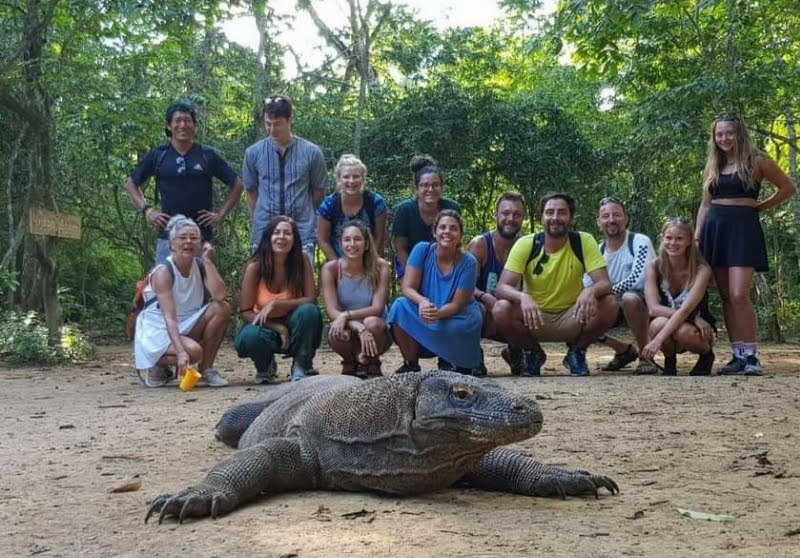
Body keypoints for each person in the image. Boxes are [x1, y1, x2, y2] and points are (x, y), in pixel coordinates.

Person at [695, 113, 796, 375]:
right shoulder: (712, 166)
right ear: (714, 138)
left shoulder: (757, 162)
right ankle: (737, 355)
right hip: (715, 231)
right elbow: (705, 205)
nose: (724, 138)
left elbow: (787, 188)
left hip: (743, 230)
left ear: (739, 133)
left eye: (729, 132)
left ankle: (752, 356)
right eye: (719, 134)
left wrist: (758, 207)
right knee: (727, 297)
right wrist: (697, 237)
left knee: (740, 294)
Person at [492, 192, 618, 376]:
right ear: (541, 217)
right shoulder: (526, 244)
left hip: (574, 315)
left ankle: (577, 352)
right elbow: (502, 287)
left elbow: (605, 283)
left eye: (562, 212)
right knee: (500, 309)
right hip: (534, 317)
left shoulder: (583, 241)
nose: (555, 218)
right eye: (550, 212)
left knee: (610, 303)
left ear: (571, 217)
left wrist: (590, 291)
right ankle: (532, 352)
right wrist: (522, 296)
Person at [124, 101, 244, 265]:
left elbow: (237, 185)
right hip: (168, 238)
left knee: (202, 287)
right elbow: (131, 184)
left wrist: (220, 215)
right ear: (168, 125)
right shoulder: (158, 156)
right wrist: (147, 210)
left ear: (195, 125)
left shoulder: (206, 155)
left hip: (201, 238)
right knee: (165, 285)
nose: (183, 125)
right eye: (178, 120)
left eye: (187, 120)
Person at [133, 215, 231, 388]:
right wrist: (180, 352)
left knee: (221, 308)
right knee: (193, 352)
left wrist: (208, 261)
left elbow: (220, 295)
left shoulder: (200, 266)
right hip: (159, 329)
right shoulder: (164, 272)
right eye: (182, 238)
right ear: (171, 244)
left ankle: (207, 369)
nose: (188, 242)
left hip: (186, 322)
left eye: (194, 238)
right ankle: (156, 365)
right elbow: (169, 318)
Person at [387, 210, 483, 374]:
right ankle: (411, 364)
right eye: (442, 227)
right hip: (426, 309)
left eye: (453, 228)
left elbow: (457, 304)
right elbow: (408, 287)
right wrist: (423, 302)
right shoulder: (422, 250)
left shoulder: (469, 262)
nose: (447, 232)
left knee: (460, 326)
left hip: (456, 315)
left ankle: (457, 361)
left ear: (460, 235)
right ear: (435, 232)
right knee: (399, 307)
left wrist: (436, 314)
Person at [234, 216, 323, 383]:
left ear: (294, 239)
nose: (282, 237)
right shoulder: (255, 266)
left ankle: (301, 365)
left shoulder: (301, 259)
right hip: (265, 324)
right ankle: (264, 366)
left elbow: (310, 299)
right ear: (269, 237)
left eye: (287, 233)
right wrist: (279, 328)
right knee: (249, 337)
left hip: (295, 321)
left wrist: (277, 303)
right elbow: (245, 312)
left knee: (309, 312)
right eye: (277, 233)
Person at [242, 94, 328, 261]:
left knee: (301, 283)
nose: (272, 129)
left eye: (278, 124)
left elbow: (318, 193)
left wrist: (313, 223)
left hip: (301, 230)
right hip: (264, 230)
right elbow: (251, 192)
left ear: (290, 121)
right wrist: (257, 221)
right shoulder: (253, 153)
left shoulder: (312, 153)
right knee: (262, 282)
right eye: (268, 124)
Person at [589, 196, 658, 374]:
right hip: (612, 305)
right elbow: (587, 284)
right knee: (580, 308)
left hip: (643, 304)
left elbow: (638, 279)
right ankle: (622, 350)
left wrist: (604, 291)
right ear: (598, 222)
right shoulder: (597, 250)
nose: (611, 220)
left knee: (630, 298)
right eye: (605, 216)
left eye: (616, 215)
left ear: (626, 219)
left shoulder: (639, 242)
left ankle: (646, 357)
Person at [641, 218, 717, 376]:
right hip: (686, 321)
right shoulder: (653, 267)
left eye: (679, 238)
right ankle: (670, 361)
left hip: (698, 330)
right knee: (657, 324)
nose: (673, 243)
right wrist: (694, 317)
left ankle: (706, 356)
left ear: (689, 241)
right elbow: (653, 309)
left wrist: (657, 341)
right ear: (662, 238)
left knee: (683, 332)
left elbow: (686, 309)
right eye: (669, 238)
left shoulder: (702, 270)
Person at [467, 191, 530, 376]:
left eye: (517, 214)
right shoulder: (480, 244)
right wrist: (485, 297)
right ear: (496, 215)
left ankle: (516, 351)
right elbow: (464, 287)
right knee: (474, 307)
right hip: (483, 310)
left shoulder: (526, 246)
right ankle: (473, 355)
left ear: (523, 218)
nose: (510, 219)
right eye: (505, 213)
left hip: (510, 311)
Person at [321, 220, 392, 378]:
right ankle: (349, 361)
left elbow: (377, 308)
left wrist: (346, 315)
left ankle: (371, 361)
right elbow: (332, 310)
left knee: (372, 322)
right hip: (348, 330)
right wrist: (356, 325)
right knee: (335, 330)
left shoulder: (380, 267)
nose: (352, 244)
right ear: (340, 244)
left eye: (358, 239)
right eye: (347, 239)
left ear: (366, 244)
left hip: (377, 332)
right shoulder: (331, 269)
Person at [391, 155, 460, 279]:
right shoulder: (405, 210)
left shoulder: (452, 207)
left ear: (442, 187)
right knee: (413, 294)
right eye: (425, 185)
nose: (430, 189)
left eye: (435, 185)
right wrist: (413, 274)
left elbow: (456, 242)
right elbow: (399, 247)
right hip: (408, 261)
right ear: (417, 189)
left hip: (444, 262)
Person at [317, 154, 388, 261]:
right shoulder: (328, 205)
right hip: (338, 263)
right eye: (346, 177)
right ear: (339, 179)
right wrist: (338, 267)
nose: (351, 181)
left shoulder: (376, 203)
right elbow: (323, 240)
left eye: (356, 176)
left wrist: (371, 265)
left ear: (363, 179)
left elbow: (380, 238)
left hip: (370, 263)